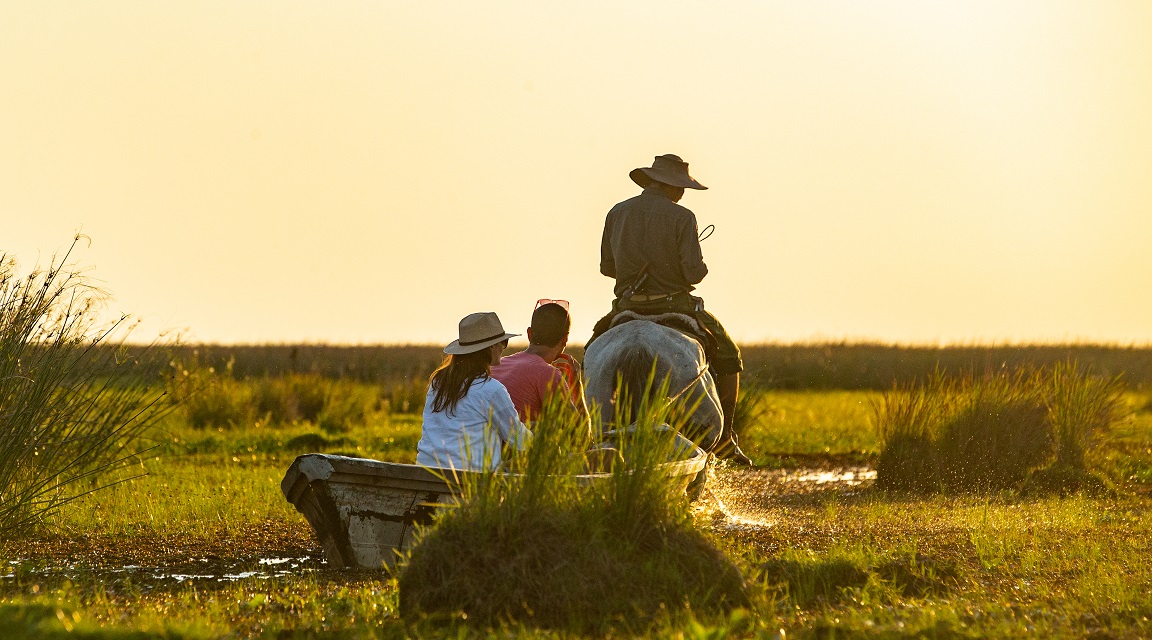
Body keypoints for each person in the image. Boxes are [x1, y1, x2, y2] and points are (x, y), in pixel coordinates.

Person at [587, 153, 751, 465]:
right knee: (729, 356)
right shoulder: (683, 217)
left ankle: (591, 432)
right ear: (673, 187)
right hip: (675, 305)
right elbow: (693, 274)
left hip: (626, 307)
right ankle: (727, 437)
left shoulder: (616, 212)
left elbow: (607, 267)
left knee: (593, 352)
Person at [416, 311, 532, 471]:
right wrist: (545, 439)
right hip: (471, 483)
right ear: (490, 347)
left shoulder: (439, 382)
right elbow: (520, 440)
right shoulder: (491, 389)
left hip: (425, 474)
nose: (502, 348)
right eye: (503, 342)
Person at [491, 299, 588, 424]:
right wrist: (577, 386)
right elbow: (583, 438)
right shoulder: (550, 375)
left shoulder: (495, 366)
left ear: (529, 334)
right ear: (565, 339)